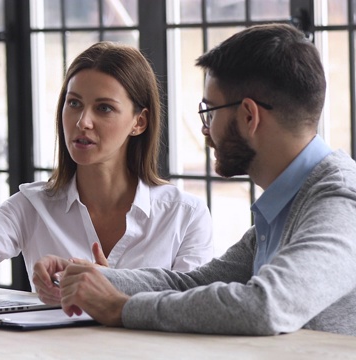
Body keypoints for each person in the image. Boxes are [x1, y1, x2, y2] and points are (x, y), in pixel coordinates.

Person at [33, 23, 356, 336]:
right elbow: (192, 283)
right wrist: (99, 278)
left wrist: (121, 308)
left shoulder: (339, 201)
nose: (206, 130)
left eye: (210, 112)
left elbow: (263, 306)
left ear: (248, 116)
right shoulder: (286, 206)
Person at [0, 41, 214, 288]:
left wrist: (112, 289)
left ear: (139, 122)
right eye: (74, 103)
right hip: (51, 347)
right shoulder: (31, 206)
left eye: (104, 107)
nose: (83, 122)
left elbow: (190, 310)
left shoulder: (184, 216)